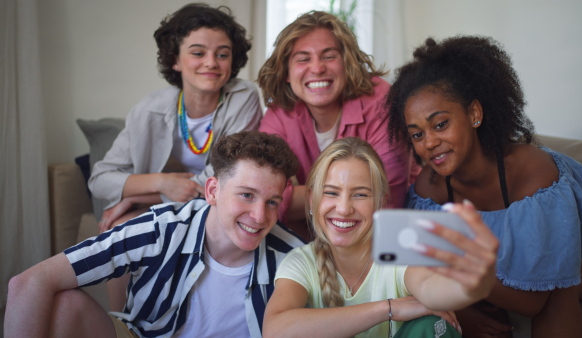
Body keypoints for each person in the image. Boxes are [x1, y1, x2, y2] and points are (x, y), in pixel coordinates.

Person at [385, 35, 582, 337]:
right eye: (417, 135)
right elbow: (418, 270)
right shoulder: (428, 191)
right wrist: (460, 309)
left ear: (474, 114)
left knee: (558, 288)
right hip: (495, 269)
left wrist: (467, 281)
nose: (430, 142)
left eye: (441, 124)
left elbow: (533, 301)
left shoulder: (532, 172)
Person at [5, 131, 305, 338]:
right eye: (247, 195)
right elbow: (29, 282)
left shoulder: (293, 256)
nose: (259, 216)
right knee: (65, 305)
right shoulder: (162, 228)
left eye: (272, 202)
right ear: (213, 191)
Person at [88, 3, 262, 310]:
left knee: (131, 219)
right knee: (119, 226)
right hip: (168, 205)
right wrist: (160, 183)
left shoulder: (243, 98)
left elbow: (225, 173)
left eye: (222, 54)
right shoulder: (149, 108)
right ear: (175, 59)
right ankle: (120, 321)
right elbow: (100, 179)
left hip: (216, 204)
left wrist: (140, 193)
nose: (211, 62)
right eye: (198, 52)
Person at [262, 137, 498, 337]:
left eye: (360, 195)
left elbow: (431, 288)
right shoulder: (301, 262)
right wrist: (388, 309)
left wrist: (469, 284)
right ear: (312, 198)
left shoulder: (398, 249)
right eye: (331, 193)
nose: (344, 208)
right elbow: (275, 330)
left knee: (430, 325)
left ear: (380, 202)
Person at [257, 11, 419, 240]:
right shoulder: (281, 112)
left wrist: (298, 195)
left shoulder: (381, 100)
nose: (317, 68)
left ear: (347, 62)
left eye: (329, 56)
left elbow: (386, 197)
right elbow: (265, 196)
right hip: (309, 243)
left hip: (388, 238)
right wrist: (355, 194)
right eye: (303, 59)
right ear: (286, 72)